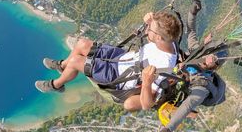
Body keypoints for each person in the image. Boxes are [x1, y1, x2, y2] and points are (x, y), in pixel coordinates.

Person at [35, 11, 182, 112]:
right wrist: (151, 21)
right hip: (121, 58)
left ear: (159, 38)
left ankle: (56, 85)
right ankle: (62, 67)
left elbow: (147, 104)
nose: (146, 30)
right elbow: (162, 28)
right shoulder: (169, 42)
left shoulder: (163, 66)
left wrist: (147, 82)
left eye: (150, 29)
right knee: (82, 44)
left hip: (117, 76)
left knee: (76, 61)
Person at [157, 0, 228, 132]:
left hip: (175, 95)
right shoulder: (197, 52)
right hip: (174, 77)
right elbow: (191, 30)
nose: (208, 59)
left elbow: (187, 106)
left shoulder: (203, 85)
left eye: (213, 60)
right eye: (209, 55)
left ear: (215, 66)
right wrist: (192, 12)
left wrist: (168, 128)